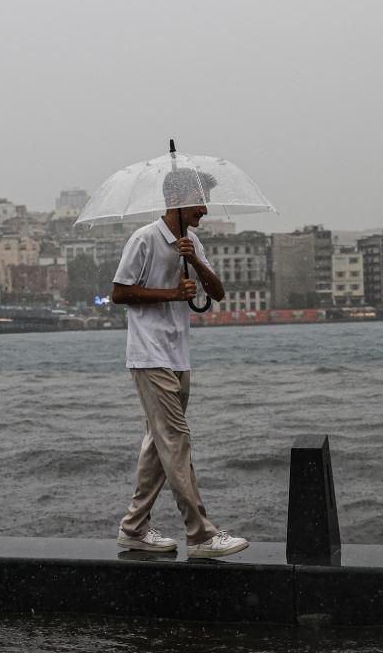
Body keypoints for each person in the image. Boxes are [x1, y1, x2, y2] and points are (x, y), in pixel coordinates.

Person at [110, 168, 249, 558]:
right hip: (149, 354)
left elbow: (217, 293)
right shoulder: (145, 238)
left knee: (160, 442)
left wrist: (197, 262)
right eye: (201, 200)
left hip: (177, 355)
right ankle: (201, 534)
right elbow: (119, 293)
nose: (205, 208)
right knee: (176, 440)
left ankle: (134, 528)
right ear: (180, 197)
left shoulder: (192, 241)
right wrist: (172, 293)